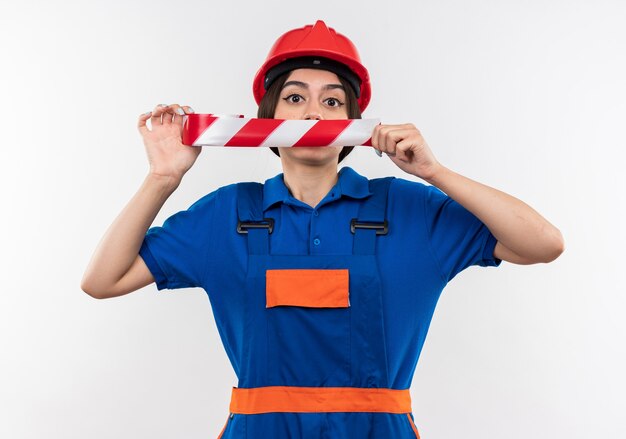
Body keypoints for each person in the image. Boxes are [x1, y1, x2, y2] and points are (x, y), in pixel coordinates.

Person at [81, 20, 564, 439]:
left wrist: (434, 172)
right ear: (268, 120)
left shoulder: (410, 210)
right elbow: (103, 281)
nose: (314, 113)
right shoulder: (225, 215)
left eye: (332, 102)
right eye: (295, 98)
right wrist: (162, 178)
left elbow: (543, 243)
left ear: (353, 124)